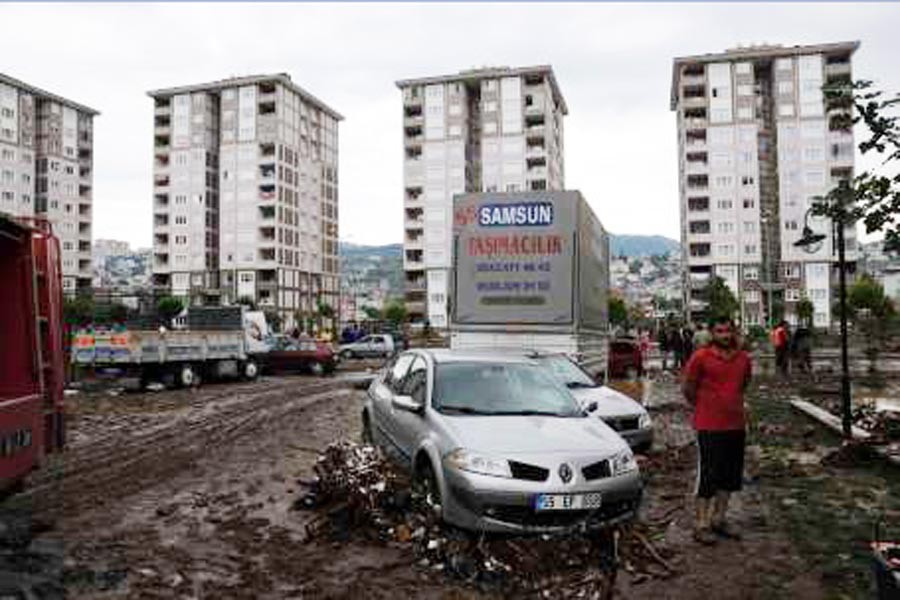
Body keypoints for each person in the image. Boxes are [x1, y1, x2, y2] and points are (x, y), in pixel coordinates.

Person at [682, 316, 752, 545]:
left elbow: (744, 385)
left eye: (728, 331)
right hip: (709, 426)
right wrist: (704, 406)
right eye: (720, 331)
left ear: (734, 332)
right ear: (712, 334)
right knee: (708, 476)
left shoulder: (743, 358)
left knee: (730, 476)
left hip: (735, 425)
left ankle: (719, 519)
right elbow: (688, 388)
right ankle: (701, 524)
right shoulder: (700, 357)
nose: (724, 335)